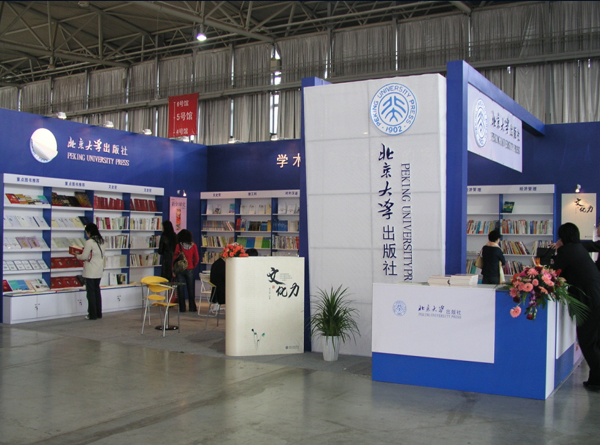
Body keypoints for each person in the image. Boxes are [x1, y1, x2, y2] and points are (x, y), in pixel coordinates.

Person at [552, 222, 600, 391]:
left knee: (588, 342)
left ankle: (597, 379)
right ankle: (595, 379)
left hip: (589, 301)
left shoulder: (566, 251)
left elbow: (554, 273)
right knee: (595, 342)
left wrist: (558, 250)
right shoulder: (579, 248)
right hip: (596, 297)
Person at [72, 223, 105, 320]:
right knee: (97, 291)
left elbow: (84, 256)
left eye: (87, 232)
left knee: (90, 293)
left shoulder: (89, 242)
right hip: (99, 269)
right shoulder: (102, 241)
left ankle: (92, 314)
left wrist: (77, 256)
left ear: (89, 232)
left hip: (90, 270)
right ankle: (98, 313)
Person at [172, 229, 199, 312]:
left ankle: (182, 308)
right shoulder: (193, 246)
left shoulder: (178, 246)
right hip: (190, 268)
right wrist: (193, 265)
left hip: (180, 269)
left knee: (180, 289)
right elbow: (196, 258)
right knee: (191, 289)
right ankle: (192, 307)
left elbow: (174, 258)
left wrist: (173, 269)